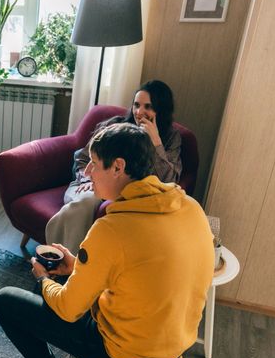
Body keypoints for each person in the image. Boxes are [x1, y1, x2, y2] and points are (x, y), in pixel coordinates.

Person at [0, 123, 214, 358]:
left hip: (127, 357)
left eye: (94, 164)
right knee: (54, 287)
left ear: (118, 167)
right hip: (174, 344)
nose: (86, 173)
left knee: (5, 301)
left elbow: (69, 309)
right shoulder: (191, 208)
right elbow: (143, 275)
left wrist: (44, 278)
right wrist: (77, 268)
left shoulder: (112, 229)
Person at [45, 80, 182, 253]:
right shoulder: (114, 127)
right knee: (88, 200)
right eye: (136, 105)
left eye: (148, 107)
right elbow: (82, 158)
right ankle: (64, 259)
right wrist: (89, 178)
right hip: (89, 186)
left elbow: (169, 182)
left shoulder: (171, 138)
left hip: (129, 196)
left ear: (160, 110)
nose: (139, 112)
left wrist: (155, 141)